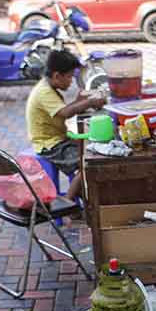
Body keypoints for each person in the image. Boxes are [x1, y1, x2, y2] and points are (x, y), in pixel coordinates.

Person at [25, 50, 105, 203]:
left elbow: (63, 111)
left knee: (91, 149)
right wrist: (89, 102)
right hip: (50, 145)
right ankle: (69, 202)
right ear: (56, 76)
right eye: (69, 77)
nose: (71, 81)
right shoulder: (44, 92)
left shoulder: (49, 88)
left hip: (59, 139)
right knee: (88, 163)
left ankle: (86, 199)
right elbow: (66, 112)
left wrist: (79, 100)